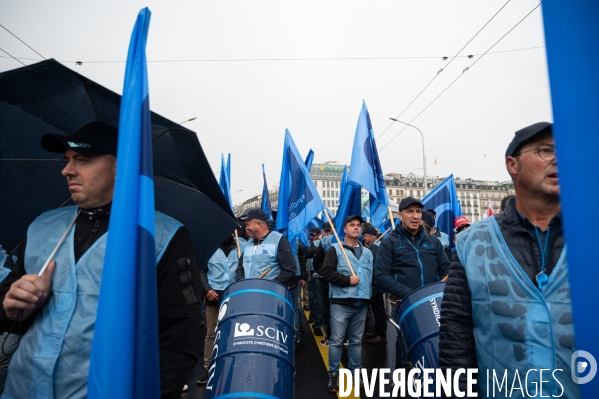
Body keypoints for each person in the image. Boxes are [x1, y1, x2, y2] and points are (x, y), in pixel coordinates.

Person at [0, 122, 202, 399]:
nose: (67, 170)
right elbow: (9, 310)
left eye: (82, 160)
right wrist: (12, 307)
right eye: (67, 160)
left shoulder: (162, 236)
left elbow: (179, 339)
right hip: (21, 389)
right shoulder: (42, 226)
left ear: (120, 167)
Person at [438, 122, 578, 397]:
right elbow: (456, 337)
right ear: (513, 165)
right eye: (545, 150)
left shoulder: (589, 237)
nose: (558, 158)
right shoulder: (472, 243)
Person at [375, 197, 451, 370]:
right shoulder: (390, 242)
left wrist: (438, 291)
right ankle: (402, 373)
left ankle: (428, 375)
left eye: (418, 211)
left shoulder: (433, 242)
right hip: (404, 302)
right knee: (405, 340)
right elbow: (381, 275)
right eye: (410, 212)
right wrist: (409, 294)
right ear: (400, 215)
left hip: (431, 302)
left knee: (431, 339)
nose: (415, 216)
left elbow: (446, 268)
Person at [320, 215, 373, 393]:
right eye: (352, 225)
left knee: (356, 341)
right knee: (336, 341)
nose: (356, 228)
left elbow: (371, 277)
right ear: (344, 229)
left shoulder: (367, 252)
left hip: (361, 304)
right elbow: (326, 272)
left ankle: (355, 372)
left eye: (359, 225)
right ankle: (333, 375)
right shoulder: (335, 250)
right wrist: (346, 280)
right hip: (341, 303)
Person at [236, 208, 300, 346]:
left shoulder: (278, 240)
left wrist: (270, 286)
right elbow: (240, 267)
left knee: (274, 337)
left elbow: (290, 269)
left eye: (248, 225)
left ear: (258, 224)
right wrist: (242, 283)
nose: (246, 228)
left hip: (271, 300)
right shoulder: (248, 244)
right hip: (250, 299)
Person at [197, 232, 244, 384]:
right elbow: (202, 271)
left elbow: (242, 269)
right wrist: (207, 289)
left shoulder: (240, 246)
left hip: (233, 296)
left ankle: (231, 364)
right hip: (213, 296)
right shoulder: (209, 247)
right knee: (211, 333)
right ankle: (207, 366)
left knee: (232, 332)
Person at [361, 226, 386, 345]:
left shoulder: (374, 247)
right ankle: (377, 331)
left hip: (376, 283)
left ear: (371, 235)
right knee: (377, 309)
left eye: (365, 235)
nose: (363, 238)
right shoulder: (375, 245)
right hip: (378, 282)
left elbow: (372, 266)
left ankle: (381, 334)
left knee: (378, 309)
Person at [305, 227, 324, 336]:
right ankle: (313, 314)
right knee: (312, 295)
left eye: (314, 235)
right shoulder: (309, 243)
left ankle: (319, 321)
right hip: (310, 272)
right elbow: (305, 256)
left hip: (319, 272)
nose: (312, 237)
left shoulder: (320, 243)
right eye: (311, 235)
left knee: (320, 300)